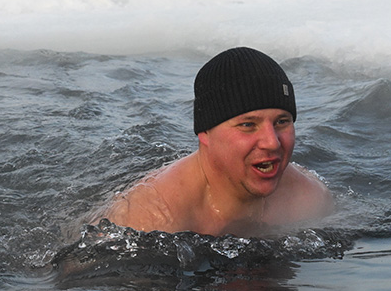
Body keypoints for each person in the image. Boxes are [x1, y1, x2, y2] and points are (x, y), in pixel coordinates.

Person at [94, 46, 334, 237]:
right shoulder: (148, 219)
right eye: (248, 125)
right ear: (204, 133)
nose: (272, 143)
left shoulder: (310, 199)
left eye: (282, 122)